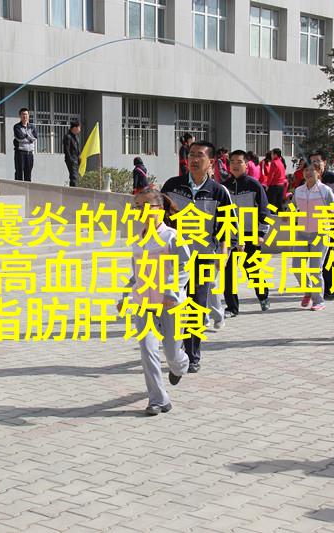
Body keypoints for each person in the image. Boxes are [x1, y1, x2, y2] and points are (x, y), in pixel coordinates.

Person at [161, 141, 232, 373]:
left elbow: (226, 225)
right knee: (170, 305)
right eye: (191, 154)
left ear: (210, 161)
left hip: (203, 257)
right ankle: (174, 346)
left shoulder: (218, 192)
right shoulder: (172, 186)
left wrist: (223, 253)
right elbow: (158, 216)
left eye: (199, 155)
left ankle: (192, 356)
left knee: (196, 306)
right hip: (173, 257)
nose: (193, 159)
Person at [122, 188, 190, 416]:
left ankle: (180, 365)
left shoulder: (172, 237)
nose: (140, 210)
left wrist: (171, 293)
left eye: (145, 205)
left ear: (159, 209)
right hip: (144, 304)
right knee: (147, 350)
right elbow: (136, 276)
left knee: (172, 354)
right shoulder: (137, 241)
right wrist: (126, 297)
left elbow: (184, 266)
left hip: (170, 304)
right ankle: (158, 399)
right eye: (137, 207)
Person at [221, 149, 270, 317]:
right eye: (232, 162)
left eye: (239, 162)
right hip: (230, 235)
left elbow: (264, 211)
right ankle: (232, 307)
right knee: (228, 272)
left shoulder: (254, 185)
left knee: (252, 268)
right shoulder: (224, 187)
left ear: (246, 164)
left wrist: (261, 234)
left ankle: (263, 296)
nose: (235, 165)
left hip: (250, 234)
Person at [291, 161, 334, 311]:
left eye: (312, 170)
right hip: (301, 233)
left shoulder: (325, 191)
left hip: (320, 233)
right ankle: (308, 291)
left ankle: (318, 301)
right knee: (297, 267)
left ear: (319, 172)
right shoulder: (299, 190)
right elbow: (292, 206)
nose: (308, 173)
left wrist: (331, 211)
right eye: (306, 170)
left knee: (315, 269)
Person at [310, 150, 334, 300]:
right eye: (312, 161)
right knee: (320, 257)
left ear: (324, 163)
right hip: (314, 225)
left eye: (318, 161)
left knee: (327, 255)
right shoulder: (309, 179)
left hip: (332, 224)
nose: (315, 164)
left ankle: (331, 288)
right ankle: (331, 285)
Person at [13, 107, 37, 182]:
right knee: (19, 173)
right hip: (20, 153)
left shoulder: (32, 127)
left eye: (26, 114)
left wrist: (26, 135)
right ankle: (18, 189)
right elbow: (20, 138)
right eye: (23, 114)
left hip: (29, 153)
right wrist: (29, 138)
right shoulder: (17, 126)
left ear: (28, 115)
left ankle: (27, 189)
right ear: (20, 116)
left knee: (28, 174)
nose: (25, 116)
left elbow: (35, 138)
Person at [62, 120, 81, 187]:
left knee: (75, 177)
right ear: (75, 128)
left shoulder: (76, 137)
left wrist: (79, 158)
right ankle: (74, 191)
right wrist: (71, 160)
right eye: (79, 127)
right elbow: (66, 150)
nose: (80, 129)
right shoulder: (68, 136)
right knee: (74, 177)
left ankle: (74, 189)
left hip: (76, 160)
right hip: (72, 160)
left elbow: (77, 149)